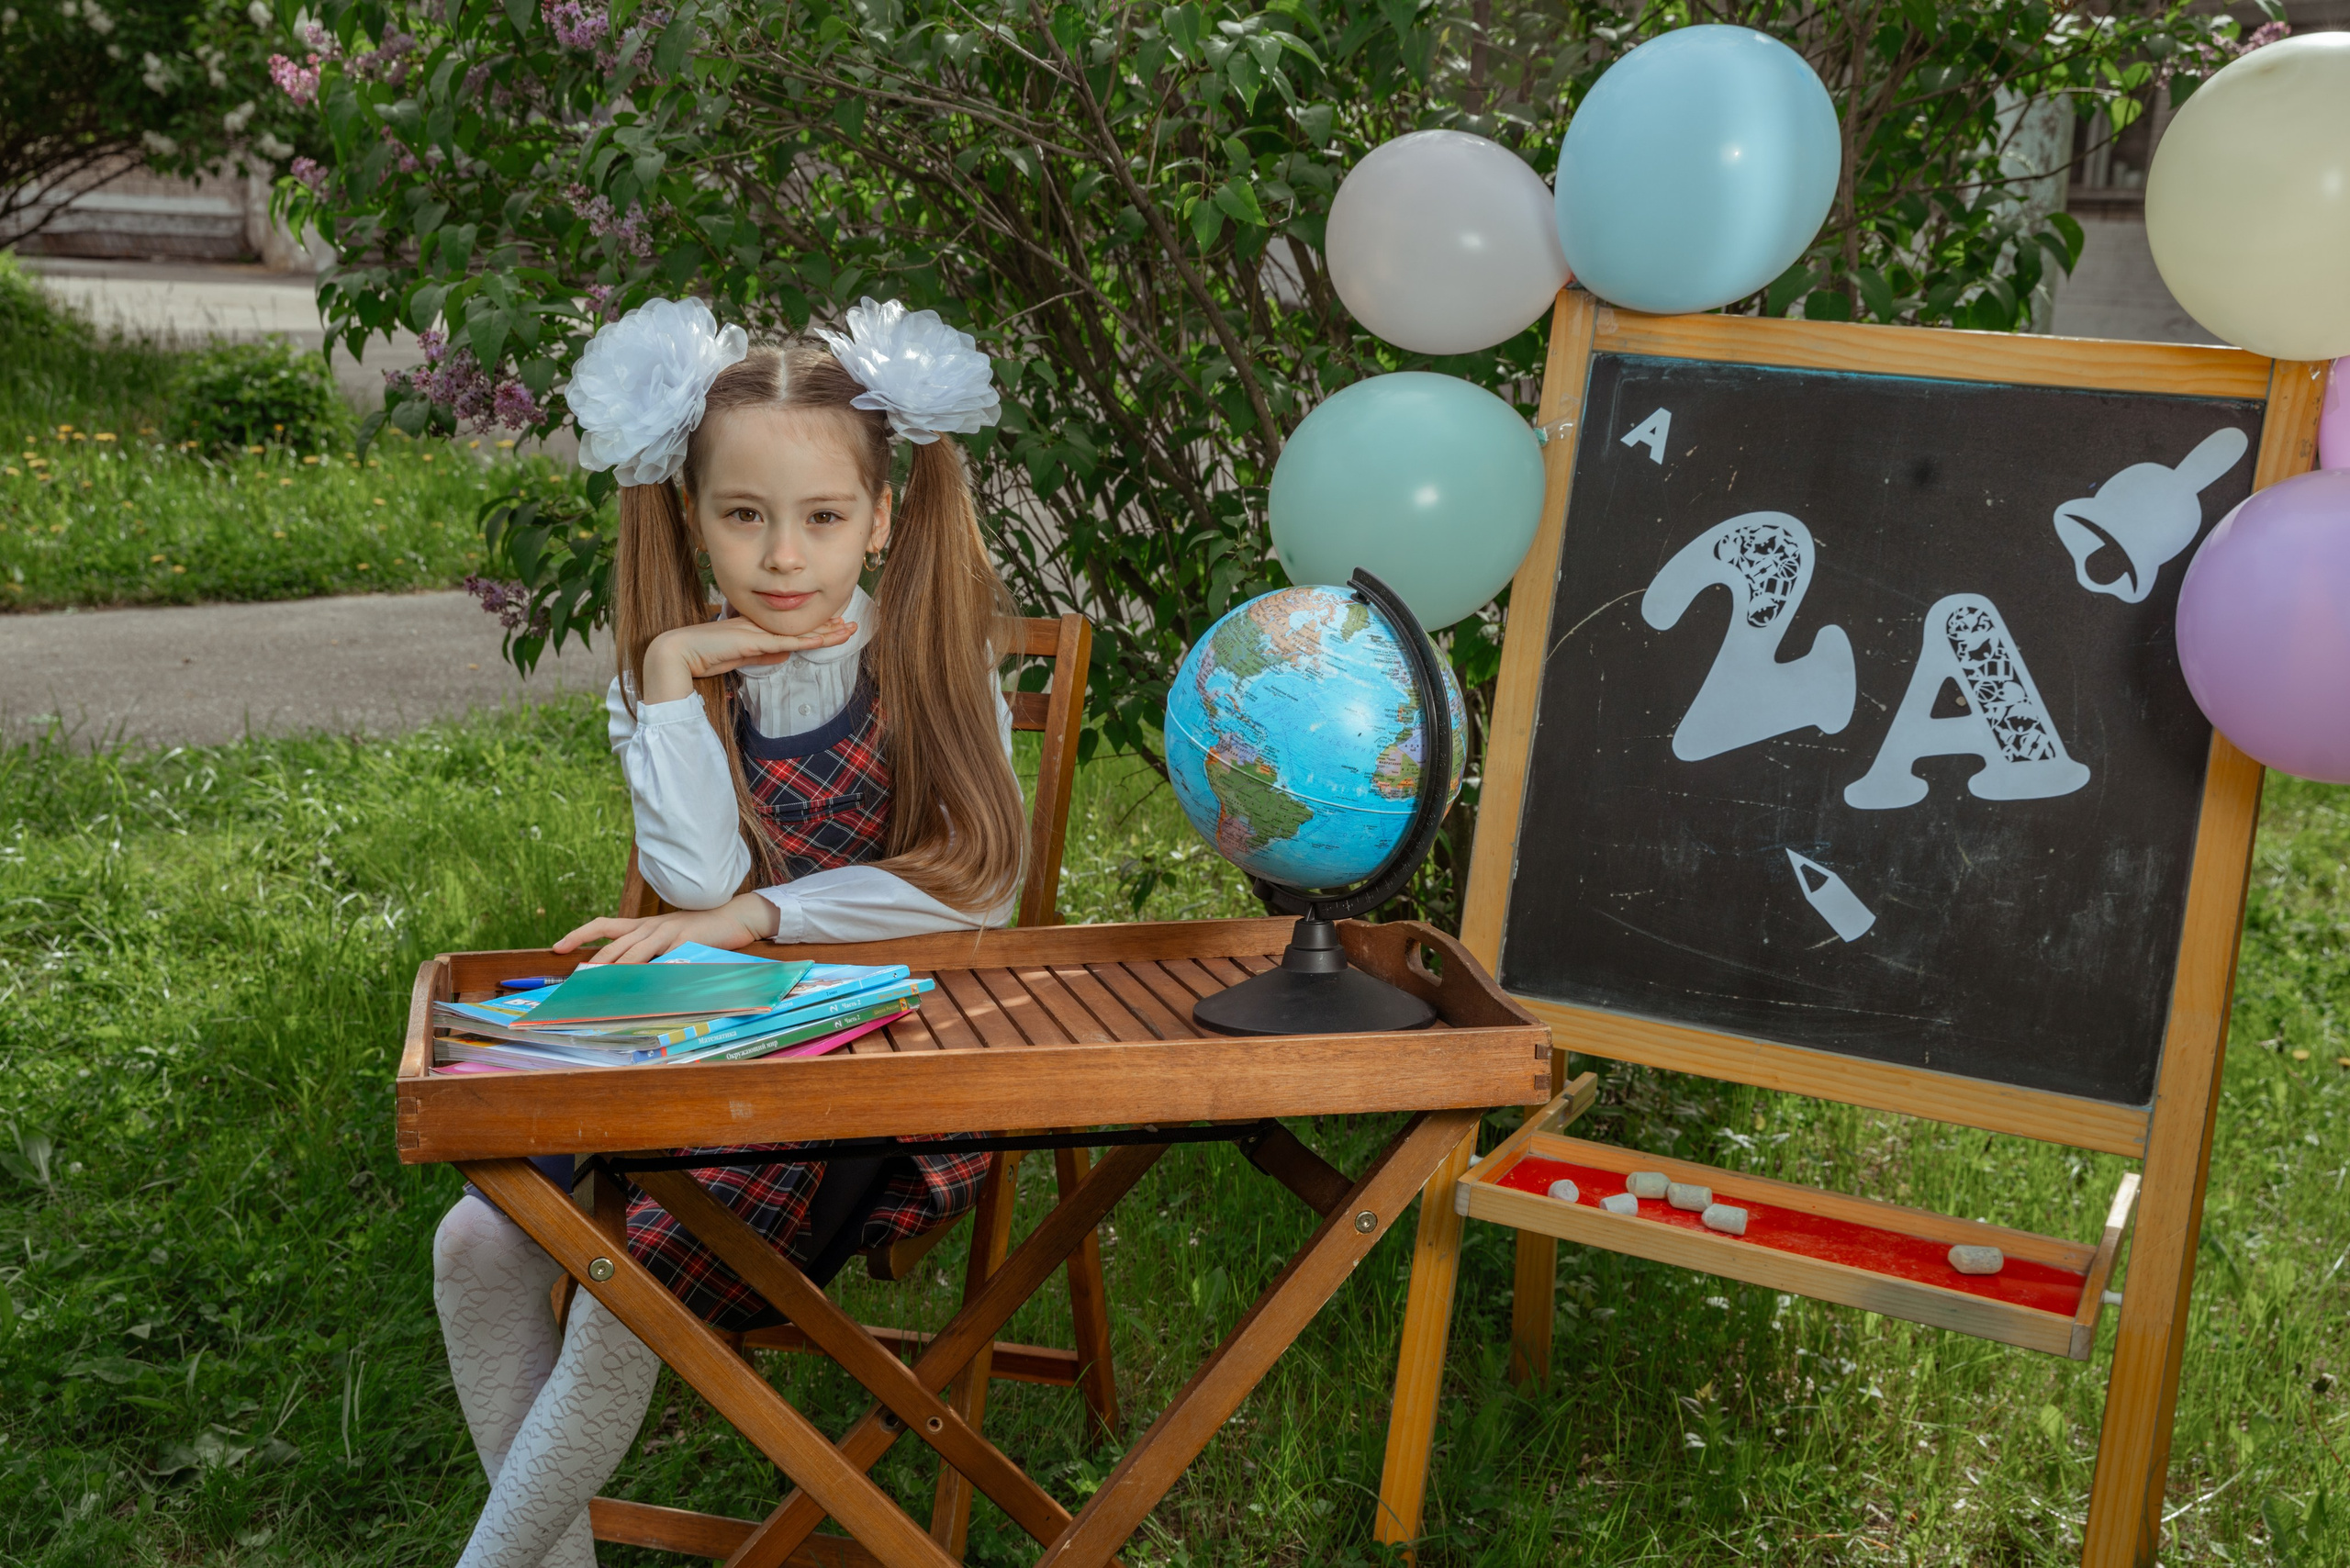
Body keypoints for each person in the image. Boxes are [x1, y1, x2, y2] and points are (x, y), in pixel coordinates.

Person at [430, 296, 1023, 1567]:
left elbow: (975, 890)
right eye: (743, 515)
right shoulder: (668, 672)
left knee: (624, 1290)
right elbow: (690, 871)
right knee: (475, 1242)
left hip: (884, 1068)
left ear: (882, 515)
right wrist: (670, 678)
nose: (784, 558)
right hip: (702, 1034)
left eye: (822, 517)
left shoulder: (931, 657)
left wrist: (759, 914)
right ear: (692, 518)